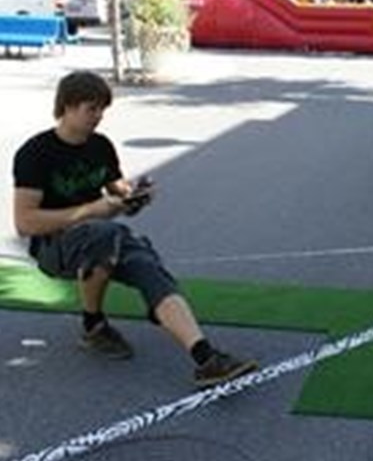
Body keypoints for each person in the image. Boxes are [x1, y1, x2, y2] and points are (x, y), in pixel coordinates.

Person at [12, 72, 258, 388]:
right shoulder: (35, 153)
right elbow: (24, 223)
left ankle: (206, 358)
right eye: (92, 109)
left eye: (102, 109)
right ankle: (93, 324)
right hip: (54, 248)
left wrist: (134, 196)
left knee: (148, 266)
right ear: (68, 107)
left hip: (102, 238)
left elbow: (117, 189)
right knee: (104, 234)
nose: (99, 117)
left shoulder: (100, 146)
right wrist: (92, 210)